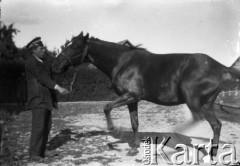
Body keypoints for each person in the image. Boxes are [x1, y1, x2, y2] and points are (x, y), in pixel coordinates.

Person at [24, 37, 68, 162]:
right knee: (39, 127)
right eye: (41, 48)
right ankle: (34, 153)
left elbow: (52, 73)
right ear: (34, 50)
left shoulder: (42, 62)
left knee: (46, 126)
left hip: (46, 99)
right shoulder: (31, 62)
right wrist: (58, 87)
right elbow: (42, 77)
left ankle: (42, 149)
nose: (44, 50)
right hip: (38, 99)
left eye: (43, 48)